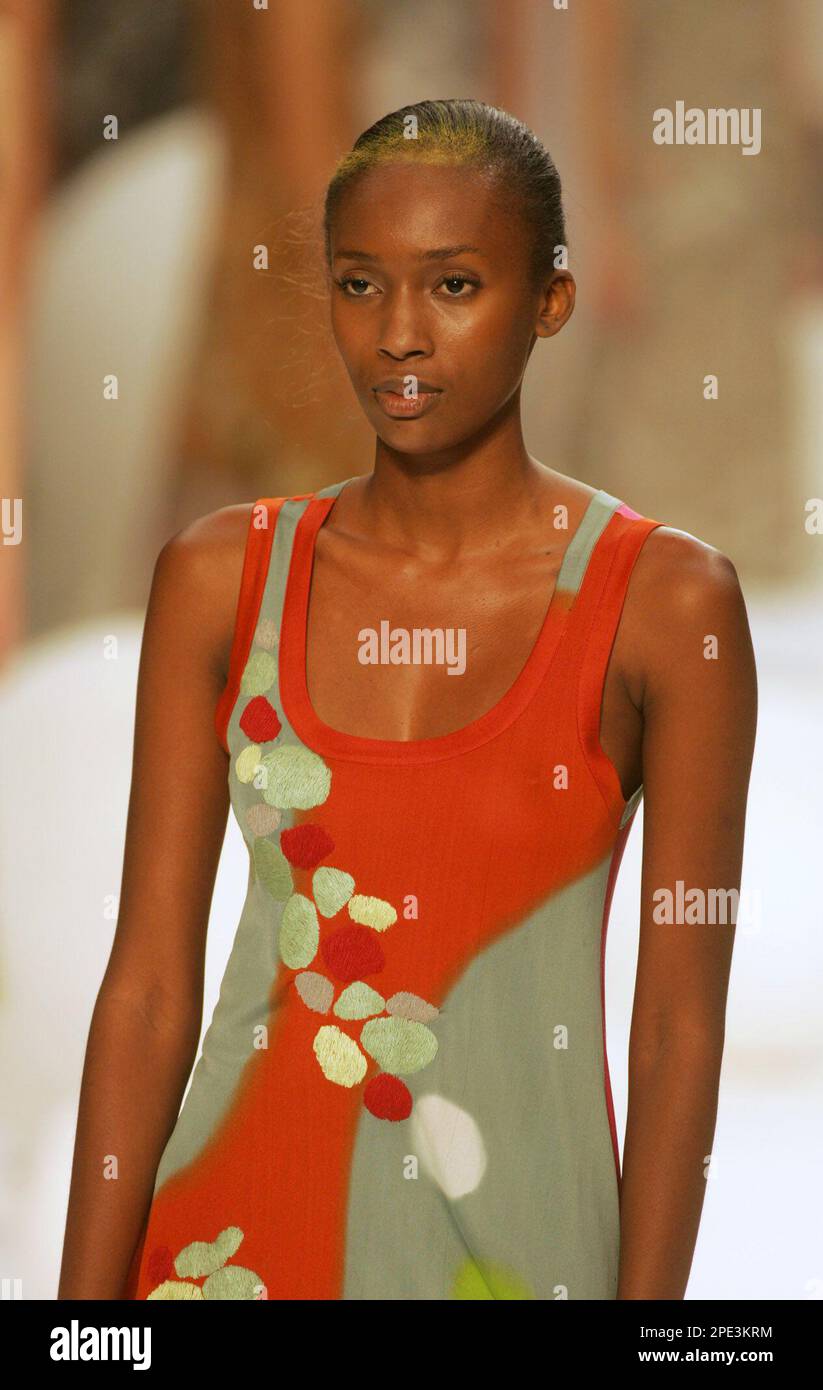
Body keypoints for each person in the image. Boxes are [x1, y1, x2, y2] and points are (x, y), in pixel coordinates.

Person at [58, 99, 757, 1301]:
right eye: (359, 284)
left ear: (550, 301)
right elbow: (149, 987)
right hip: (224, 1257)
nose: (398, 336)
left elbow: (677, 1032)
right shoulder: (222, 578)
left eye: (452, 285)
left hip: (522, 1260)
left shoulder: (665, 604)